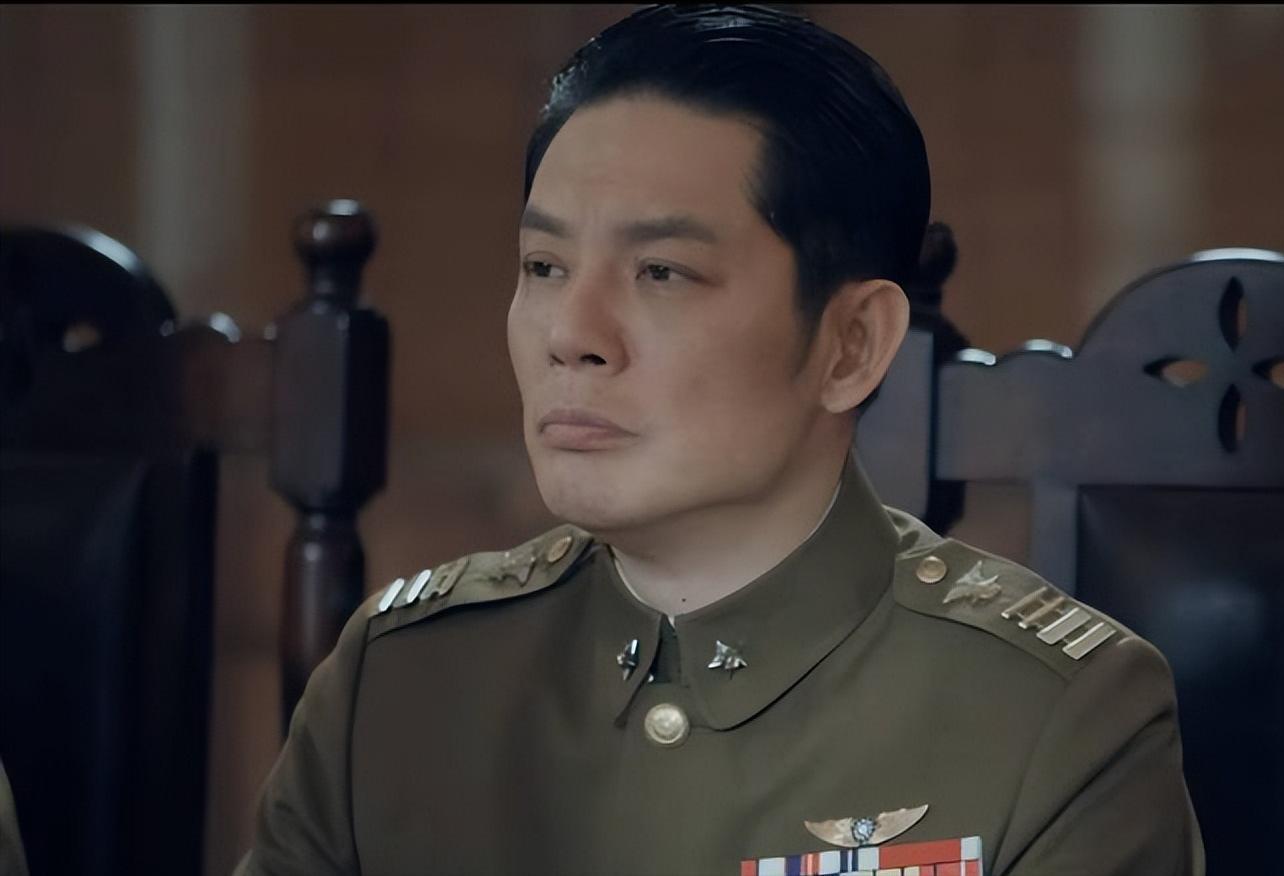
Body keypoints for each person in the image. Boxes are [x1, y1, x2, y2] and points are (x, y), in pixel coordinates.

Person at [236, 5, 1205, 874]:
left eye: (661, 272)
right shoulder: (399, 681)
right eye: (543, 265)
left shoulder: (1053, 720)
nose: (572, 333)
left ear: (851, 344)